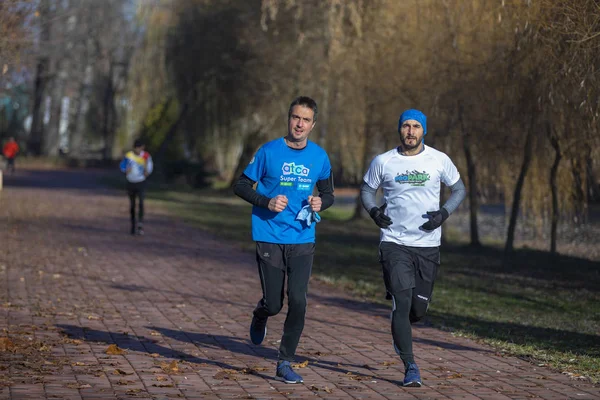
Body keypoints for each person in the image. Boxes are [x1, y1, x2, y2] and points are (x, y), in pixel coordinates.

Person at [360, 109, 466, 387]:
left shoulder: (439, 159)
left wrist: (443, 214)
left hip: (428, 246)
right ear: (399, 129)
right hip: (394, 242)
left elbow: (459, 190)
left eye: (416, 126)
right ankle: (410, 366)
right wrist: (373, 212)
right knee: (402, 301)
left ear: (424, 131)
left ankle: (402, 319)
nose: (410, 131)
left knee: (417, 311)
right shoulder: (383, 161)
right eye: (406, 126)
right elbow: (367, 191)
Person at [233, 96, 334, 384]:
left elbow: (329, 195)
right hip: (269, 235)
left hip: (303, 237)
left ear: (312, 125)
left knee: (299, 301)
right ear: (288, 119)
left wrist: (320, 203)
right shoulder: (268, 152)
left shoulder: (319, 157)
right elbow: (239, 185)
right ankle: (261, 313)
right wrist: (265, 202)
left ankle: (285, 361)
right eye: (295, 117)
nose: (299, 124)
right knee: (275, 304)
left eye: (305, 120)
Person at [120, 139, 153, 235]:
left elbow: (149, 168)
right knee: (132, 205)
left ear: (142, 148)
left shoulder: (146, 156)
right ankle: (133, 225)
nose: (138, 150)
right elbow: (122, 166)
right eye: (136, 148)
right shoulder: (129, 156)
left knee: (141, 203)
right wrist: (126, 169)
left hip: (141, 182)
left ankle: (140, 224)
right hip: (131, 182)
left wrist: (147, 171)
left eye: (139, 148)